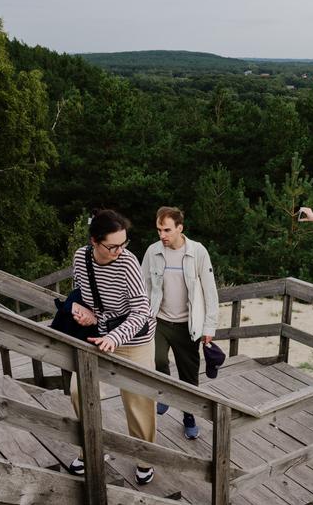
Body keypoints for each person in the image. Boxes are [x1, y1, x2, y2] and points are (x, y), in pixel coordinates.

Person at [67, 209, 157, 485]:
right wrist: (83, 313)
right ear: (94, 241)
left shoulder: (128, 262)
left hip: (134, 340)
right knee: (78, 390)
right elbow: (78, 292)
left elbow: (141, 310)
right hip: (98, 334)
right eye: (113, 246)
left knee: (138, 399)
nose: (120, 250)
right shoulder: (81, 258)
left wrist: (115, 338)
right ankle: (93, 447)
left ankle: (145, 458)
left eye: (123, 244)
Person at [141, 206, 219, 440]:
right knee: (157, 359)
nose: (162, 235)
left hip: (188, 326)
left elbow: (210, 292)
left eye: (167, 230)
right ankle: (164, 394)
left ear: (179, 228)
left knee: (189, 377)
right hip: (160, 320)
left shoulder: (197, 252)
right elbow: (143, 287)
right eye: (158, 230)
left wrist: (209, 327)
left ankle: (189, 416)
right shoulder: (153, 252)